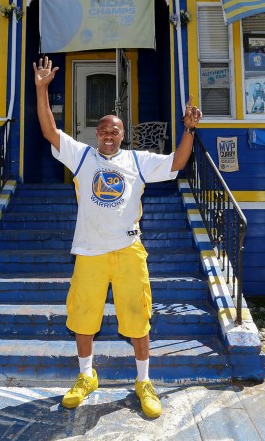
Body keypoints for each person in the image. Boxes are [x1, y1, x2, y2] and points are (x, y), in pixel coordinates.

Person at [33, 55, 202, 419]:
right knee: (82, 317)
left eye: (115, 131)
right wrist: (42, 88)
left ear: (123, 135)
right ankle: (85, 376)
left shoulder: (137, 161)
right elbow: (49, 131)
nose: (109, 136)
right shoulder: (81, 157)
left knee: (137, 318)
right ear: (97, 134)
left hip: (128, 250)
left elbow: (175, 163)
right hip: (90, 252)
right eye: (104, 131)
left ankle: (143, 382)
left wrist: (189, 130)